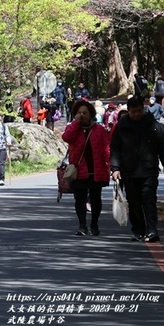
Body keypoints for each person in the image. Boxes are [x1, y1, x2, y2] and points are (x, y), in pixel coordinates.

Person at [109, 95, 164, 242]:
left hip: (149, 170)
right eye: (133, 111)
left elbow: (162, 146)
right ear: (128, 110)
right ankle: (138, 230)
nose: (136, 114)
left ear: (143, 109)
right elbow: (115, 148)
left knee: (149, 200)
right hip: (128, 171)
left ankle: (152, 230)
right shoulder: (122, 126)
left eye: (139, 111)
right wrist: (115, 168)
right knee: (134, 202)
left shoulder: (153, 125)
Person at [62, 100, 111, 236]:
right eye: (79, 113)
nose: (82, 115)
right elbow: (66, 137)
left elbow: (106, 148)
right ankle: (82, 225)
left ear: (91, 114)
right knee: (80, 198)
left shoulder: (99, 130)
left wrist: (111, 165)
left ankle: (94, 224)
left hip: (96, 170)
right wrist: (75, 123)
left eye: (85, 113)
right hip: (79, 170)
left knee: (96, 199)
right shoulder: (73, 128)